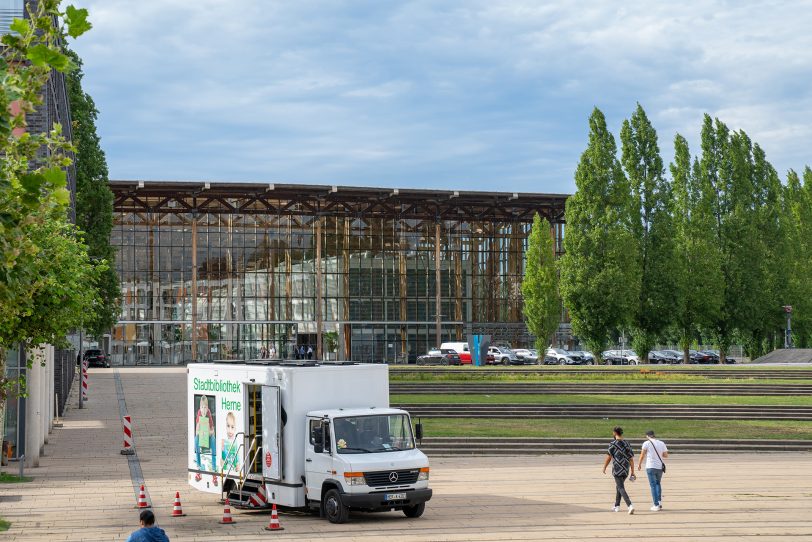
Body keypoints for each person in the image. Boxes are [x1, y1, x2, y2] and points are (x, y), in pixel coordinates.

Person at [603, 426, 635, 514]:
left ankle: (630, 505)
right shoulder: (627, 443)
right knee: (619, 487)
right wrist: (632, 471)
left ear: (614, 433)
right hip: (625, 469)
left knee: (620, 487)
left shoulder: (613, 444)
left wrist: (604, 467)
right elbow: (631, 459)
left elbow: (609, 457)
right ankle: (617, 506)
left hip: (617, 469)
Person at [638, 429, 668, 511]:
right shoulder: (661, 443)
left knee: (653, 485)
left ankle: (656, 505)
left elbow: (642, 455)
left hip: (650, 466)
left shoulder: (646, 443)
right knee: (658, 483)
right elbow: (666, 455)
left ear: (647, 436)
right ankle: (659, 501)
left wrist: (639, 464)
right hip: (659, 467)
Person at [193, 395, 217, 486]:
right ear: (200, 407)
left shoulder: (209, 413)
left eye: (205, 407)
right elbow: (197, 430)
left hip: (208, 436)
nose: (203, 409)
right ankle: (199, 469)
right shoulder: (199, 413)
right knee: (196, 440)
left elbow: (212, 430)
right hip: (201, 437)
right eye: (202, 407)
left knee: (213, 440)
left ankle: (214, 471)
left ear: (207, 408)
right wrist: (200, 432)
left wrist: (208, 433)